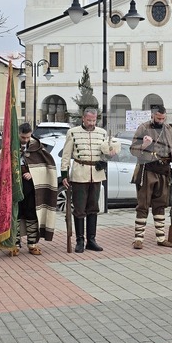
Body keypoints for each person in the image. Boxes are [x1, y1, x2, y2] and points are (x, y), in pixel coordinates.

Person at [0, 123, 58, 255]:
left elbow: (45, 167)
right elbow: (0, 167)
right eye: (23, 137)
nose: (26, 140)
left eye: (28, 137)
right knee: (14, 214)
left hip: (31, 187)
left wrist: (32, 173)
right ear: (18, 134)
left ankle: (32, 243)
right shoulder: (8, 147)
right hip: (14, 186)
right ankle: (14, 244)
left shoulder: (37, 147)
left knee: (31, 214)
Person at [61, 108, 119, 253]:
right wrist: (64, 175)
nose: (92, 123)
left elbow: (106, 152)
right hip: (80, 173)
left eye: (94, 120)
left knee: (93, 208)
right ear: (83, 118)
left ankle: (91, 240)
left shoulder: (102, 133)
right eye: (89, 120)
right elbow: (66, 155)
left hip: (96, 174)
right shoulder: (72, 132)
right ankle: (80, 240)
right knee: (79, 209)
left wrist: (108, 157)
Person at [129, 106, 172, 248]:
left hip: (164, 170)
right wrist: (144, 145)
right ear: (153, 115)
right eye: (158, 118)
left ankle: (161, 238)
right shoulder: (143, 128)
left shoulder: (169, 129)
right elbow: (133, 149)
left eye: (163, 118)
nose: (161, 120)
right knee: (143, 205)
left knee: (160, 205)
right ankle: (139, 239)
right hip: (147, 170)